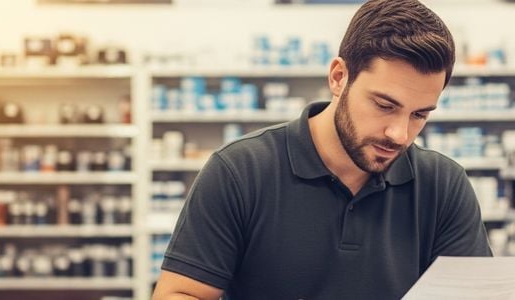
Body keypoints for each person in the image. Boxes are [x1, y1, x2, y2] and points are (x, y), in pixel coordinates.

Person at [152, 0, 492, 299]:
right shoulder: (240, 171)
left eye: (419, 114)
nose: (400, 134)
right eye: (384, 105)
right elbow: (180, 293)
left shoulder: (444, 185)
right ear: (339, 77)